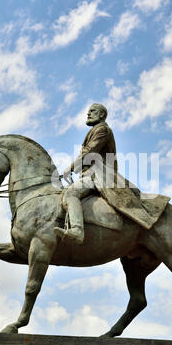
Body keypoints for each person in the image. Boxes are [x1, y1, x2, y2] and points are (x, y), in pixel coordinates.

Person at [54, 103, 116, 244]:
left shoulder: (102, 130)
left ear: (101, 115)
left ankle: (77, 230)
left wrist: (69, 169)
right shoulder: (96, 130)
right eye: (88, 111)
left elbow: (89, 152)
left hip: (99, 176)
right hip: (90, 175)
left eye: (92, 111)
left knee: (71, 193)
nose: (88, 114)